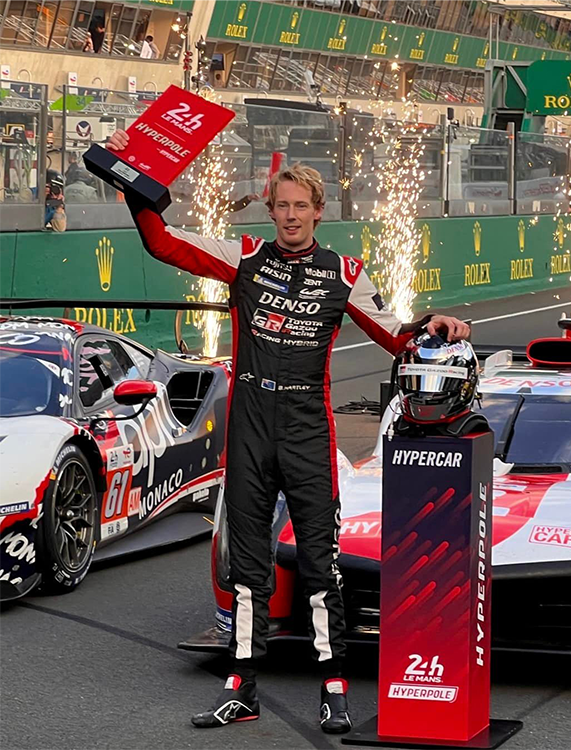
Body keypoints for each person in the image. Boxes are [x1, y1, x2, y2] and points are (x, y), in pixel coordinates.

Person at [104, 129, 471, 734]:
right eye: (282, 205)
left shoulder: (345, 272)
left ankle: (334, 688)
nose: (292, 215)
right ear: (270, 210)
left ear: (319, 211)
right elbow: (162, 241)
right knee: (248, 569)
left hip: (308, 433)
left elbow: (397, 337)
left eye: (302, 206)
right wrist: (130, 176)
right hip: (249, 428)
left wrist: (435, 322)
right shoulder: (244, 255)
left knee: (321, 568)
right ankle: (240, 687)